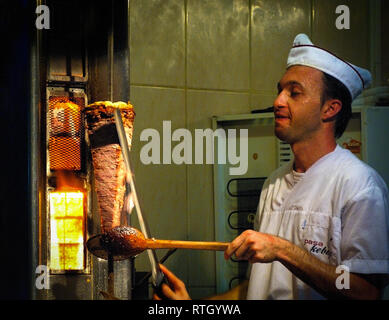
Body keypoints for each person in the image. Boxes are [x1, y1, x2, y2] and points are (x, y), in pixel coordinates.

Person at [154, 34, 389, 300]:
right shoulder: (275, 182)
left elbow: (366, 293)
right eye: (280, 90)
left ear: (330, 109)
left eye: (294, 93)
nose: (278, 101)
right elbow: (258, 287)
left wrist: (282, 250)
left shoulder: (359, 185)